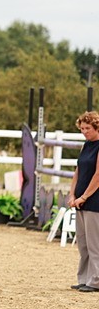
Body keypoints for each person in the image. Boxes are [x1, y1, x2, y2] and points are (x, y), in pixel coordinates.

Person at [67, 110, 99, 292]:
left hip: (94, 201)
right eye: (82, 129)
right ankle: (85, 278)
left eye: (87, 128)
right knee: (83, 242)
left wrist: (84, 196)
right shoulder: (85, 145)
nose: (84, 132)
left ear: (96, 127)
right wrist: (72, 194)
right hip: (80, 200)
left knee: (95, 243)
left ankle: (96, 280)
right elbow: (77, 171)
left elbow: (98, 175)